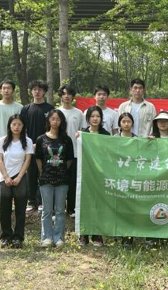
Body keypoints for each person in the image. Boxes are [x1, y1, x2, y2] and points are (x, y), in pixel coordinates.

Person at [0, 114, 34, 247]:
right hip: (4, 178)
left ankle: (18, 237)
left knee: (20, 210)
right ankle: (6, 236)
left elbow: (27, 160)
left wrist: (19, 177)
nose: (16, 127)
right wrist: (6, 177)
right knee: (4, 209)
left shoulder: (27, 141)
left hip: (20, 178)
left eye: (19, 125)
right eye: (14, 124)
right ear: (9, 126)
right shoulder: (2, 141)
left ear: (23, 126)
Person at [36, 109, 72, 248]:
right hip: (46, 179)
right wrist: (44, 172)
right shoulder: (41, 139)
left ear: (61, 121)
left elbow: (69, 160)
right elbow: (38, 159)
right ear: (48, 121)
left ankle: (59, 237)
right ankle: (47, 237)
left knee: (59, 210)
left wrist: (60, 169)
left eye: (58, 119)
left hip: (62, 180)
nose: (55, 121)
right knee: (46, 210)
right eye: (53, 119)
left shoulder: (66, 139)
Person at [0, 80, 23, 212]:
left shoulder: (19, 107)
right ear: (0, 90)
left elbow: (22, 127)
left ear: (13, 90)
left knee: (16, 172)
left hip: (16, 145)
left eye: (9, 88)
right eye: (4, 88)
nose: (6, 90)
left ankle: (12, 200)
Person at [76, 105, 109, 245]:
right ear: (88, 118)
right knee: (85, 203)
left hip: (101, 174)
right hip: (85, 174)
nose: (95, 119)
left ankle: (97, 234)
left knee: (99, 204)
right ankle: (83, 233)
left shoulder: (106, 135)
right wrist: (78, 137)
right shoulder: (82, 133)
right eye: (92, 116)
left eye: (98, 116)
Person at [20, 80, 54, 211]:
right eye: (34, 89)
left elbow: (53, 128)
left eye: (40, 89)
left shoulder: (50, 109)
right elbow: (22, 129)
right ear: (31, 91)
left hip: (47, 147)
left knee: (44, 174)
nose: (37, 91)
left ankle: (42, 201)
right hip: (29, 147)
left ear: (44, 91)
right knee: (31, 174)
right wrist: (28, 144)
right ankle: (31, 201)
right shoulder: (26, 109)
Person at [56, 84, 83, 216]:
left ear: (73, 96)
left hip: (75, 152)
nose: (66, 96)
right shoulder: (56, 113)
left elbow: (83, 131)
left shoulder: (79, 113)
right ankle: (59, 208)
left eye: (69, 94)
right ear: (60, 95)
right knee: (59, 180)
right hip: (57, 153)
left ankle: (71, 208)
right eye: (64, 93)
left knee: (73, 181)